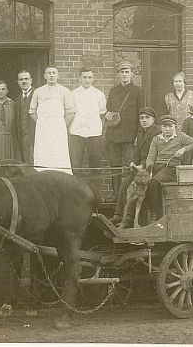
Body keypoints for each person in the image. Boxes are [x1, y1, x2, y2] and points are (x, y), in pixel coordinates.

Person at [145, 115, 193, 221]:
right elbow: (151, 156)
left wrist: (184, 149)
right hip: (157, 168)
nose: (167, 129)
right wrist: (149, 169)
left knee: (153, 183)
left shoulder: (181, 136)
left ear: (175, 127)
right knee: (143, 183)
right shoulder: (156, 139)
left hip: (171, 168)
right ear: (161, 127)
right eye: (164, 126)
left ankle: (156, 215)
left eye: (170, 126)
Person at [113, 107, 161, 228]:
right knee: (125, 184)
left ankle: (130, 219)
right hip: (140, 169)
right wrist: (132, 163)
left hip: (151, 167)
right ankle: (119, 215)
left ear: (153, 119)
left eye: (147, 118)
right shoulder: (140, 134)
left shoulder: (157, 132)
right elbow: (136, 152)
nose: (144, 120)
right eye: (141, 118)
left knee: (140, 190)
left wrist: (143, 165)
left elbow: (156, 154)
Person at [104, 60, 145, 203]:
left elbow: (142, 115)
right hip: (114, 136)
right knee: (114, 166)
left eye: (127, 72)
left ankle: (127, 196)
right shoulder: (113, 91)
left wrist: (139, 135)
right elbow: (107, 110)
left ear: (132, 74)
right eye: (122, 72)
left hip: (130, 137)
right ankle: (115, 195)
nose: (124, 75)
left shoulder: (138, 92)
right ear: (118, 75)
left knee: (129, 167)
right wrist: (107, 114)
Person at [29, 66, 75, 175]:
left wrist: (61, 125)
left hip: (58, 128)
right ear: (45, 76)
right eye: (49, 73)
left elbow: (70, 112)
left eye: (54, 73)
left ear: (57, 75)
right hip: (42, 129)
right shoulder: (38, 91)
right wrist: (42, 123)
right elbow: (32, 111)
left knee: (59, 154)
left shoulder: (64, 91)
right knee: (43, 154)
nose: (51, 75)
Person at [69, 67, 107, 192]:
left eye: (89, 77)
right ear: (79, 79)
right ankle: (76, 192)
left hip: (94, 133)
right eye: (84, 77)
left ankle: (96, 193)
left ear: (93, 79)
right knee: (76, 164)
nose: (87, 80)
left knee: (95, 164)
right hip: (76, 132)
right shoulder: (73, 94)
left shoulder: (99, 94)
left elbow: (102, 113)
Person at [15, 70, 36, 165]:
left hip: (36, 134)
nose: (24, 81)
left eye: (26, 79)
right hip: (23, 136)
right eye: (21, 79)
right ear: (18, 82)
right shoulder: (17, 100)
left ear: (31, 80)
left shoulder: (38, 94)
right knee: (26, 160)